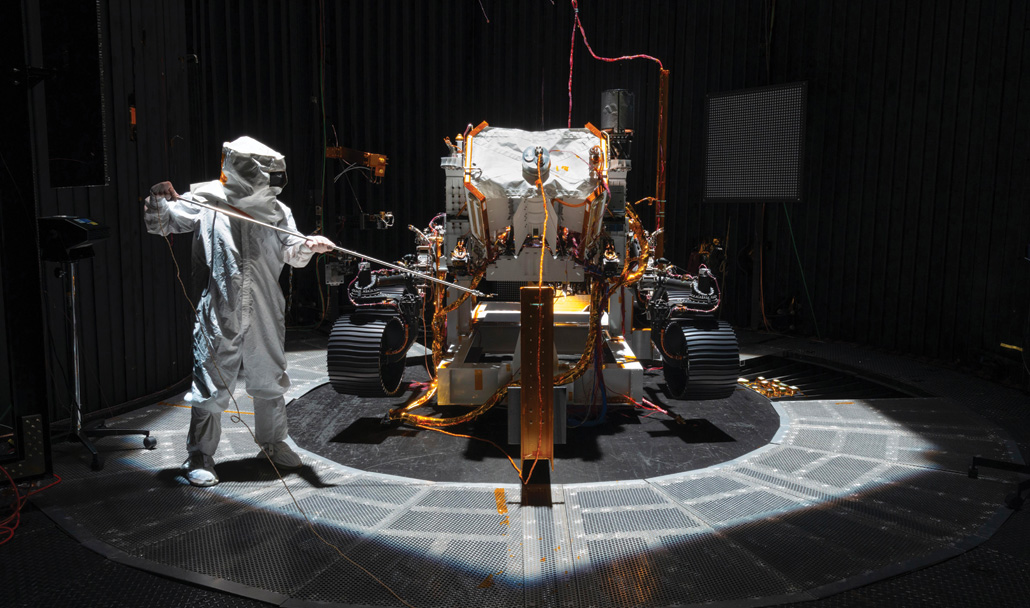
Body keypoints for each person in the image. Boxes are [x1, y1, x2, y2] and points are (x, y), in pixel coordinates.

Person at [144, 136, 334, 487]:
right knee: (212, 382)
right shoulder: (207, 201)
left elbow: (293, 250)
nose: (273, 184)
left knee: (268, 377)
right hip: (220, 307)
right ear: (246, 170)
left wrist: (309, 245)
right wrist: (158, 198)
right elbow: (161, 224)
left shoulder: (277, 210)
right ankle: (199, 454)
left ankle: (274, 443)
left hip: (264, 307)